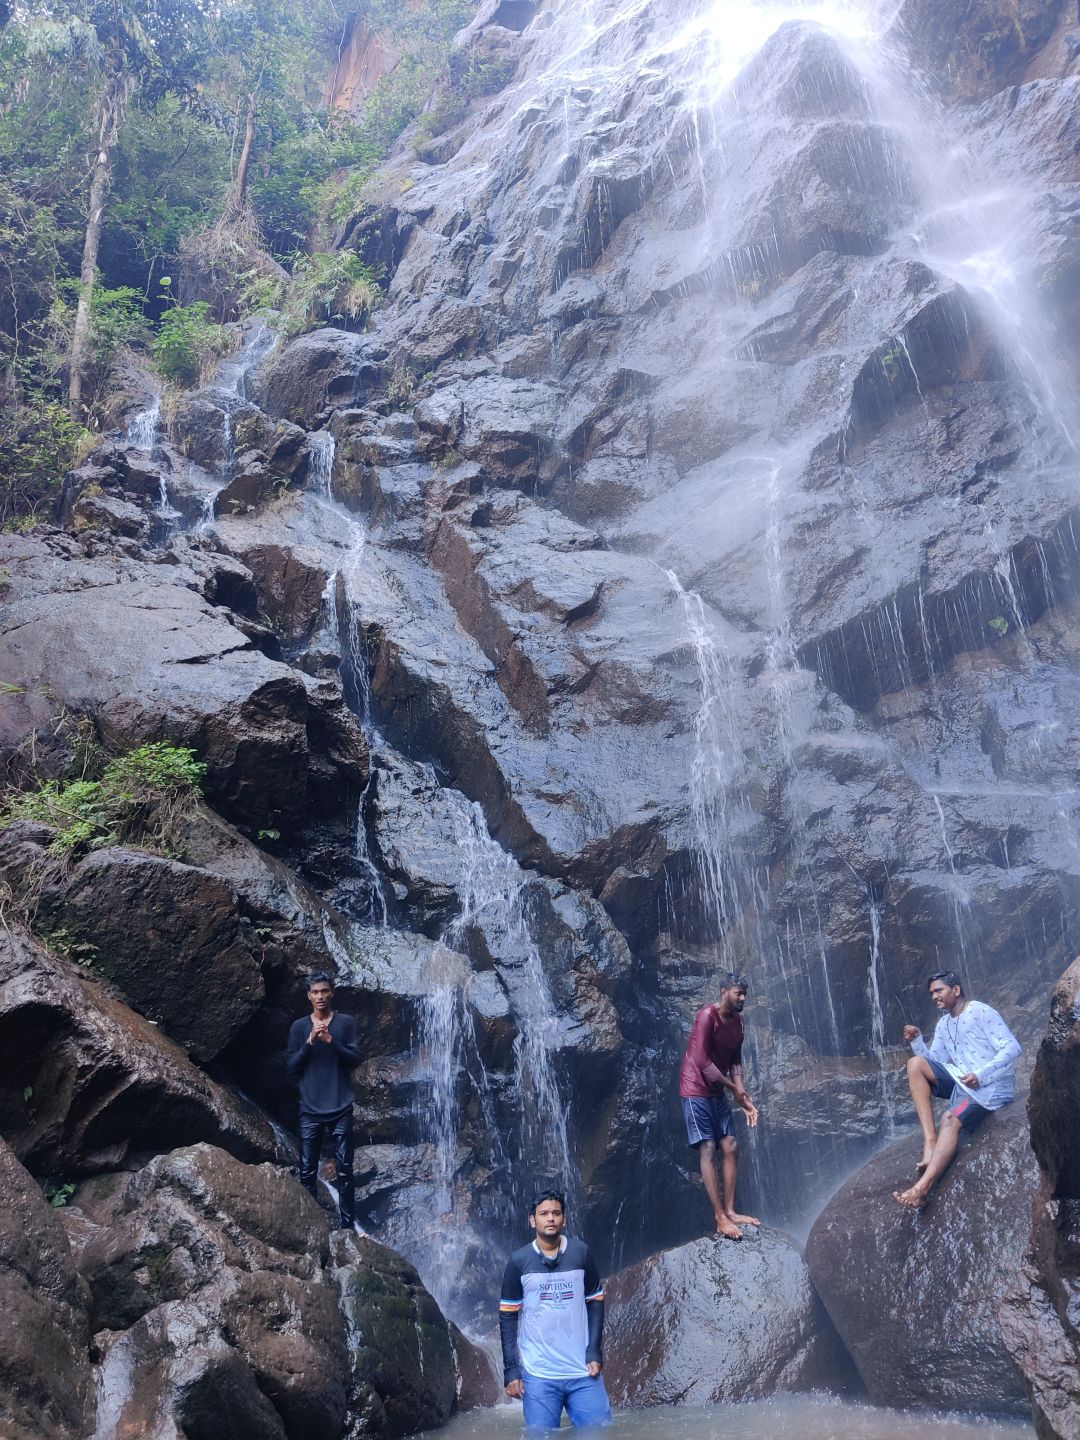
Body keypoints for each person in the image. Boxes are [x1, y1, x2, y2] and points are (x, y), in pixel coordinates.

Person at [894, 969, 1021, 1210]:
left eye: (938, 990)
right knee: (915, 1064)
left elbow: (1012, 1048)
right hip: (964, 1080)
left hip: (991, 1086)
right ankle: (930, 1142)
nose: (934, 997)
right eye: (932, 993)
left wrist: (981, 1074)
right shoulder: (943, 1024)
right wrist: (917, 1041)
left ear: (956, 990)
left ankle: (921, 1190)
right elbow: (936, 1061)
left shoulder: (980, 1011)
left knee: (950, 1119)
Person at [499, 1189, 612, 1432]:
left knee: (598, 1433)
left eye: (556, 1213)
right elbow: (508, 1315)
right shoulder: (519, 1261)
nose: (550, 1218)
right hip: (539, 1374)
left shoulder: (581, 1253)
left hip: (583, 1371)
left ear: (564, 1219)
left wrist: (594, 1350)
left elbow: (595, 1301)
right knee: (541, 1436)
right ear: (532, 1220)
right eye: (544, 1214)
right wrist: (511, 1370)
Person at [679, 974, 760, 1240]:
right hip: (695, 1089)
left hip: (717, 1090)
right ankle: (719, 1217)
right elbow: (702, 1062)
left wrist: (741, 1093)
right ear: (724, 992)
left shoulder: (739, 1022)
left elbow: (735, 1060)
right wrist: (733, 1089)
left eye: (745, 993)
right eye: (738, 993)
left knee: (731, 1145)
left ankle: (731, 1211)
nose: (743, 998)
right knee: (708, 1147)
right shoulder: (707, 1016)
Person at [286, 971, 360, 1229]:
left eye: (324, 991)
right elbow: (291, 1067)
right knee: (307, 1171)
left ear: (332, 993)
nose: (320, 996)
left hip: (341, 1107)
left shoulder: (346, 1023)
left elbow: (355, 1060)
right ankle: (310, 1228)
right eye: (315, 992)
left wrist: (331, 1041)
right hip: (310, 1109)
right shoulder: (299, 1027)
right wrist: (309, 1042)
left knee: (345, 1170)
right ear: (309, 996)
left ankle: (348, 1227)